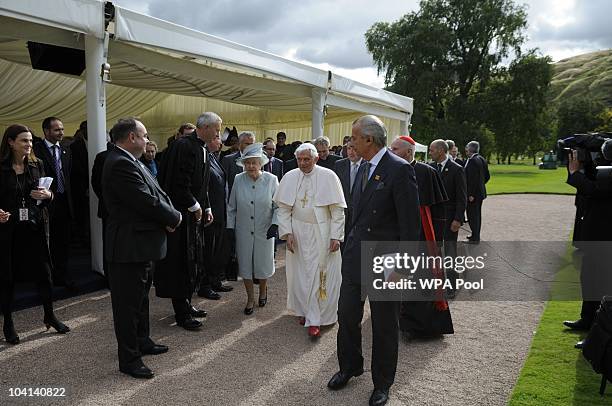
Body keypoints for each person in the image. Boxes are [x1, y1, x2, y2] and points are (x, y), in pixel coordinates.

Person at [328, 115, 420, 406]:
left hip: (387, 260)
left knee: (383, 324)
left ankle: (382, 383)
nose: (350, 142)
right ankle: (350, 367)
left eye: (354, 137)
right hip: (355, 257)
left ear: (368, 140)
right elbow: (354, 216)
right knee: (347, 316)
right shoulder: (360, 166)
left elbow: (410, 224)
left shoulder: (399, 170)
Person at [102, 118, 181, 379]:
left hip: (141, 244)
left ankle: (143, 341)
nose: (148, 140)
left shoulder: (132, 160)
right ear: (131, 138)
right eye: (144, 135)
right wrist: (172, 218)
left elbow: (157, 193)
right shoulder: (119, 163)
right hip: (128, 247)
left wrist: (167, 216)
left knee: (141, 299)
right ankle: (129, 359)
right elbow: (144, 201)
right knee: (127, 306)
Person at [0, 124, 70, 345]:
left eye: (30, 141)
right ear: (11, 142)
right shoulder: (1, 168)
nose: (29, 145)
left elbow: (49, 197)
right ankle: (8, 323)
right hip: (8, 230)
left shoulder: (37, 164)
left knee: (45, 275)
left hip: (34, 227)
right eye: (24, 141)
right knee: (7, 278)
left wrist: (47, 194)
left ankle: (50, 315)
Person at [274, 143, 346, 338]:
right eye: (300, 159)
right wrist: (287, 233)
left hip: (321, 231)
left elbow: (337, 211)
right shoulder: (290, 177)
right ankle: (305, 311)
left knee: (319, 273)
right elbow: (283, 209)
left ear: (316, 159)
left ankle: (317, 319)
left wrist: (335, 236)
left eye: (307, 159)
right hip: (298, 232)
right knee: (301, 273)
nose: (303, 163)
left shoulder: (328, 176)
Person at [156, 112, 218, 331]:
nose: (219, 134)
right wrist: (194, 205)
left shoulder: (201, 148)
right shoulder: (184, 146)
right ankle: (181, 312)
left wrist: (206, 206)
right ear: (206, 127)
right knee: (181, 262)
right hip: (182, 216)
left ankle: (187, 304)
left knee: (193, 261)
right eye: (217, 129)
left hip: (195, 217)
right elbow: (178, 182)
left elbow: (202, 184)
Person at [390, 136, 453, 338]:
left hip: (421, 236)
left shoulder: (427, 172)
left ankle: (419, 327)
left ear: (409, 152)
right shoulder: (390, 170)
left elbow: (439, 209)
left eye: (396, 149)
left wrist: (436, 239)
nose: (391, 152)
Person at [564, 150, 612, 349]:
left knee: (601, 285)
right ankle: (587, 319)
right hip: (597, 238)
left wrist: (575, 173)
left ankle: (596, 334)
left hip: (605, 238)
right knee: (589, 278)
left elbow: (595, 191)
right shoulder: (604, 172)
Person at [227, 143, 279, 315]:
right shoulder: (238, 179)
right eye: (247, 162)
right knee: (246, 267)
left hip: (265, 230)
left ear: (261, 163)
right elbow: (231, 207)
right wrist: (230, 228)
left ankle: (263, 290)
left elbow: (278, 206)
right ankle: (250, 298)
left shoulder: (271, 180)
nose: (250, 166)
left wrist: (275, 224)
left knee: (263, 265)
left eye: (253, 162)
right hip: (243, 231)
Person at [33, 117, 74, 288]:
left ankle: (61, 276)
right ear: (46, 131)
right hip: (44, 203)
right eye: (57, 130)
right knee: (44, 242)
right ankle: (44, 278)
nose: (61, 133)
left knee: (62, 241)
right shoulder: (36, 150)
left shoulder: (66, 149)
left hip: (64, 201)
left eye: (62, 129)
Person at [197, 126, 233, 300]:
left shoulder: (214, 157)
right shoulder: (203, 158)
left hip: (220, 212)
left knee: (217, 250)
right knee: (208, 251)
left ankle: (215, 280)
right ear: (211, 140)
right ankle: (205, 285)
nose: (220, 141)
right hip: (210, 215)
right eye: (218, 138)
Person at [429, 139, 466, 298]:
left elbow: (461, 197)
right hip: (433, 218)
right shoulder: (430, 168)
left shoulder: (457, 170)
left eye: (432, 150)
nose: (430, 153)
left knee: (450, 253)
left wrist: (458, 219)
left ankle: (451, 286)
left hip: (450, 219)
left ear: (441, 151)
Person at [333, 140, 362, 242]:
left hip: (359, 214)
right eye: (349, 148)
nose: (351, 152)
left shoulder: (367, 165)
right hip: (343, 213)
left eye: (354, 148)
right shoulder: (339, 164)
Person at [464, 141, 490, 243]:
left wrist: (471, 194)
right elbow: (487, 176)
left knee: (472, 215)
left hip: (473, 195)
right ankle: (475, 235)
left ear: (470, 149)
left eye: (467, 147)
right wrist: (481, 186)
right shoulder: (482, 159)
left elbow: (472, 180)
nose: (466, 149)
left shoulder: (473, 161)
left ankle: (475, 237)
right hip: (480, 193)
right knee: (477, 215)